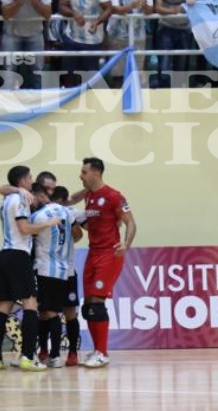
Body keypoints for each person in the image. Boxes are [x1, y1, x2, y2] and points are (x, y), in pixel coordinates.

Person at [0, 165, 60, 372]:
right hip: (19, 255)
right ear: (23, 180)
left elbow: (2, 189)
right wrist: (48, 224)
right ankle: (27, 356)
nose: (31, 180)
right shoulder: (21, 199)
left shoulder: (6, 200)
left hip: (5, 255)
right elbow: (24, 228)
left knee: (3, 308)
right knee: (30, 305)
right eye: (30, 177)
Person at [78, 156, 136, 368]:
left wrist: (126, 244)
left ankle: (102, 353)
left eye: (84, 172)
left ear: (96, 173)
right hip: (92, 253)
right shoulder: (89, 196)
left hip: (109, 255)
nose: (80, 175)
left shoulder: (114, 196)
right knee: (88, 306)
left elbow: (131, 223)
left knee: (97, 303)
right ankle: (96, 351)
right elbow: (91, 224)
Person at [30, 183, 82, 368]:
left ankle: (52, 354)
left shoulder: (36, 216)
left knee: (47, 312)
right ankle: (70, 354)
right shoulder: (66, 211)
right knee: (67, 312)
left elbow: (27, 237)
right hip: (67, 269)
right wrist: (64, 240)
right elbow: (78, 234)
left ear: (39, 195)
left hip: (48, 270)